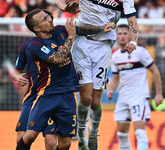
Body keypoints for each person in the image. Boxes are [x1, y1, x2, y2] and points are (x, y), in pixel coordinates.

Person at [15, 9, 115, 150]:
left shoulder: (61, 30)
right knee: (30, 135)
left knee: (65, 144)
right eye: (44, 19)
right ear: (37, 28)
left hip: (68, 94)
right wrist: (71, 37)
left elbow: (81, 29)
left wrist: (100, 28)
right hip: (47, 95)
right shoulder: (35, 45)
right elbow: (58, 58)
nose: (50, 19)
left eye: (48, 16)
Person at [56, 0, 139, 150]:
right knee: (86, 97)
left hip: (104, 46)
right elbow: (59, 2)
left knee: (95, 102)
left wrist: (134, 40)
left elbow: (132, 19)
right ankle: (82, 137)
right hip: (82, 43)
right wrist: (65, 7)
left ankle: (93, 132)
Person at [107, 24, 163, 150]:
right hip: (123, 98)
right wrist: (111, 90)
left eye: (125, 33)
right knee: (121, 134)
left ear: (130, 35)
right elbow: (116, 78)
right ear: (116, 36)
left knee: (139, 132)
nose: (122, 36)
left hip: (139, 96)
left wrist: (159, 94)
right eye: (119, 33)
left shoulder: (140, 51)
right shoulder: (115, 56)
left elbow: (155, 71)